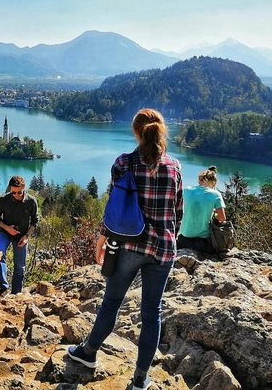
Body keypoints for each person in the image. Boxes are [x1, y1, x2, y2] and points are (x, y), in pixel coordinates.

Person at [67, 109, 183, 390]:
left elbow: (114, 208)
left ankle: (88, 353)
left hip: (129, 245)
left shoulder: (124, 163)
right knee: (151, 313)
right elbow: (178, 213)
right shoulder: (175, 166)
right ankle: (140, 379)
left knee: (111, 303)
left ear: (135, 132)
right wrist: (169, 239)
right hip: (164, 249)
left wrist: (102, 238)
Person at [0, 175, 39, 295]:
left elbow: (35, 221)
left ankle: (16, 294)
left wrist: (26, 237)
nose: (17, 195)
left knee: (20, 267)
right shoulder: (3, 200)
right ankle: (4, 287)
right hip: (5, 232)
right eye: (13, 193)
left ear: (24, 187)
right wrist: (7, 228)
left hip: (21, 236)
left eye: (19, 192)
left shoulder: (31, 201)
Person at [176, 166, 226, 268]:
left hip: (184, 239)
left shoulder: (186, 191)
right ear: (214, 182)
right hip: (203, 242)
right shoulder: (216, 195)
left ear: (199, 180)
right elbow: (222, 218)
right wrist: (213, 214)